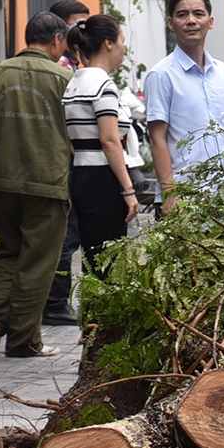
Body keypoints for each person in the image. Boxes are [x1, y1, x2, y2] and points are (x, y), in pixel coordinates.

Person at [0, 12, 72, 357]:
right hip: (47, 182)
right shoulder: (63, 78)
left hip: (2, 180)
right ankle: (25, 339)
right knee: (38, 261)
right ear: (56, 40)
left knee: (8, 251)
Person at [145, 0, 224, 211]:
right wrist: (171, 195)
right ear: (171, 23)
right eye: (182, 15)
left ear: (210, 22)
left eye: (198, 14)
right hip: (185, 199)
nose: (191, 21)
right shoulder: (161, 75)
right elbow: (157, 138)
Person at [62, 15, 138, 281]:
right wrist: (128, 190)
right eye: (121, 41)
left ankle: (93, 316)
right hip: (104, 178)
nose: (123, 48)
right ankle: (101, 318)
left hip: (82, 174)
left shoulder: (74, 83)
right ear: (108, 43)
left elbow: (72, 140)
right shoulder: (103, 85)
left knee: (93, 255)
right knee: (109, 256)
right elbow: (110, 140)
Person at [43, 0, 91, 327]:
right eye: (78, 24)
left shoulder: (79, 64)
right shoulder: (63, 68)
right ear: (61, 30)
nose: (83, 31)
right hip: (71, 163)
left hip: (79, 161)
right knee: (69, 235)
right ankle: (56, 302)